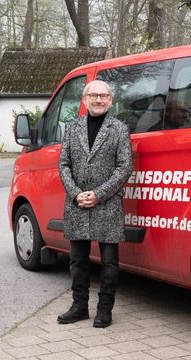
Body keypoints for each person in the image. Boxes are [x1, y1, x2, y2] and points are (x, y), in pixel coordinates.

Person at [56, 79, 133, 328]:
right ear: (84, 99)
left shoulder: (119, 129)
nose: (98, 100)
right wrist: (76, 192)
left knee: (109, 263)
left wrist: (98, 194)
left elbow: (124, 167)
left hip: (107, 204)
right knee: (78, 261)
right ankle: (79, 306)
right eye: (93, 95)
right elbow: (63, 164)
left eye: (104, 96)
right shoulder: (72, 128)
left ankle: (104, 309)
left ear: (111, 100)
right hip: (77, 203)